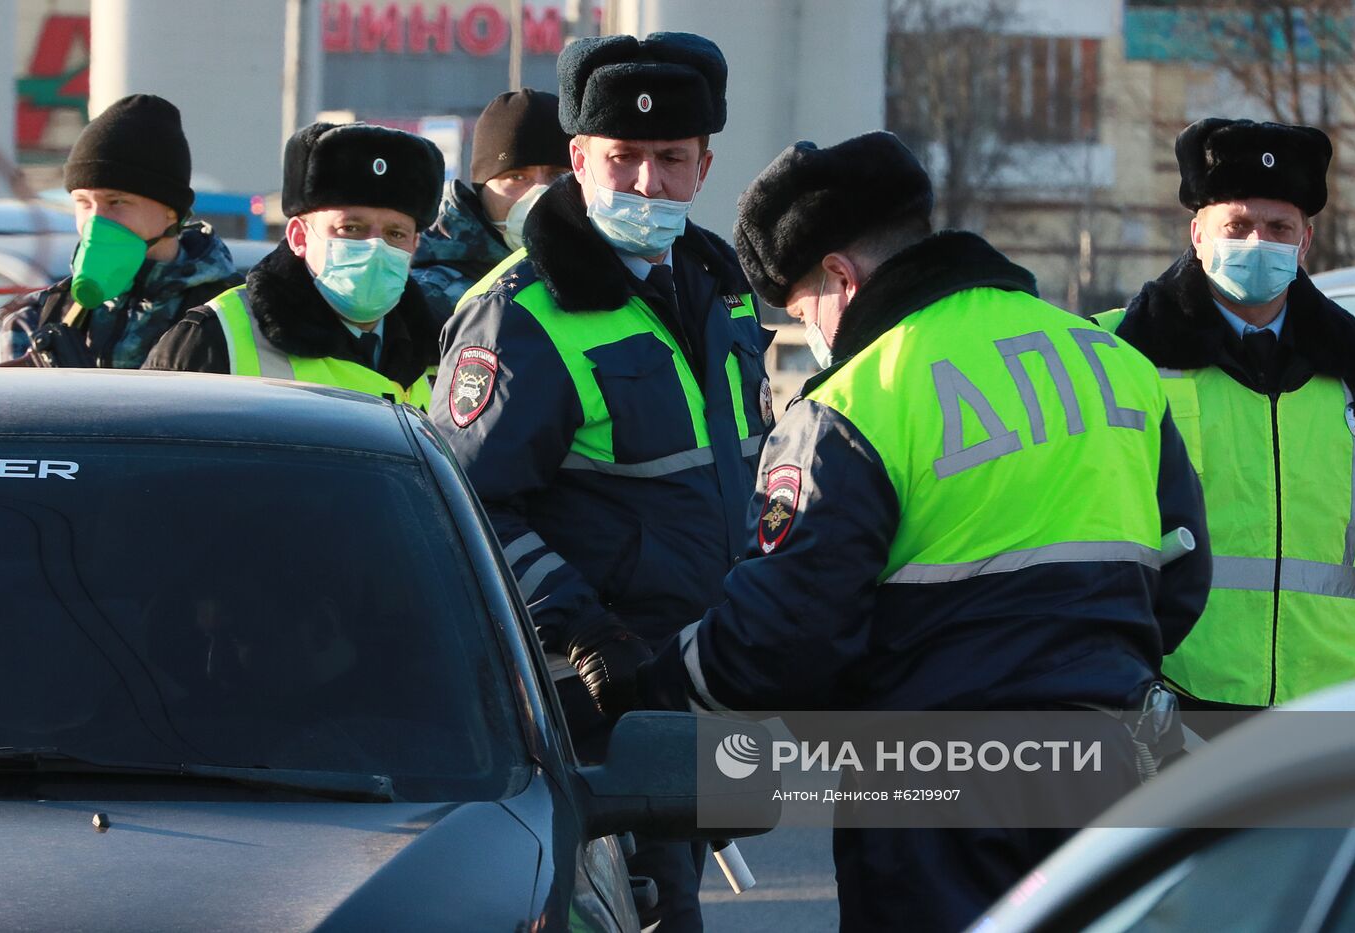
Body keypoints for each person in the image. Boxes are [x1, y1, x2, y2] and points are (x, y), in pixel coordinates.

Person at [630, 133, 1212, 932]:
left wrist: (657, 688)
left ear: (840, 277)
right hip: (1113, 763)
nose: (813, 337)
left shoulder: (856, 401)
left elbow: (784, 635)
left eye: (802, 314)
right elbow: (1182, 577)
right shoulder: (1108, 361)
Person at [429, 32, 773, 932]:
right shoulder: (520, 313)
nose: (647, 184)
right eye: (622, 159)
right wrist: (584, 628)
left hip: (703, 679)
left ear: (704, 166)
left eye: (670, 159)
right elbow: (465, 503)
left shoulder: (718, 284)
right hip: (591, 701)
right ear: (578, 160)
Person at [1094, 118, 1355, 715]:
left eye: (1279, 227)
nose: (1259, 242)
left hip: (1334, 700)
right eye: (1237, 225)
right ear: (1198, 235)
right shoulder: (1118, 356)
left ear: (1305, 241)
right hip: (1173, 699)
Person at [144, 122, 444, 406]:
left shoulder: (440, 352)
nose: (375, 246)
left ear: (414, 245)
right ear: (299, 236)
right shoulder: (215, 337)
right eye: (351, 228)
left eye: (395, 234)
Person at [0, 94, 239, 368]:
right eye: (84, 203)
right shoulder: (35, 318)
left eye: (117, 202)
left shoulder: (231, 317)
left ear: (172, 210)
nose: (96, 220)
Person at [411, 89, 570, 327]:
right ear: (481, 189)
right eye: (516, 177)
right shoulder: (430, 299)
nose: (540, 193)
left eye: (558, 175)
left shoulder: (612, 277)